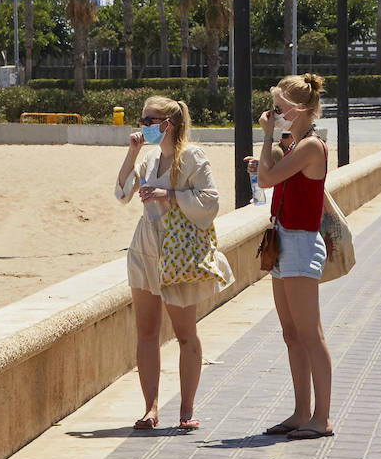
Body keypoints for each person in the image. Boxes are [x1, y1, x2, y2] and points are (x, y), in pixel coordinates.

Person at [115, 96, 233, 431]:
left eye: (150, 120)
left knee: (185, 333)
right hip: (145, 249)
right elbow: (122, 193)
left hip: (178, 253)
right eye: (143, 119)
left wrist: (168, 195)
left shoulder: (192, 156)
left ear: (168, 123)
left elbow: (211, 201)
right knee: (147, 332)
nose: (144, 126)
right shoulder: (150, 159)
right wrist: (132, 152)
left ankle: (186, 409)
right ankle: (150, 409)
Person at [255, 73, 335, 440]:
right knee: (291, 334)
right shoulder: (299, 145)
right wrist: (266, 160)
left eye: (279, 107)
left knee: (309, 333)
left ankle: (321, 417)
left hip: (301, 243)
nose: (274, 113)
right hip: (286, 240)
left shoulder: (310, 146)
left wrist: (268, 136)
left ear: (299, 109)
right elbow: (272, 177)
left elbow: (267, 181)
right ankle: (302, 411)